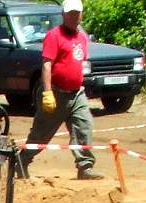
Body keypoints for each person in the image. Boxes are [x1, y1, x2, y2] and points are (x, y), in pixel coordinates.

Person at [19, 0, 104, 180]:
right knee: (41, 135)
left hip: (76, 93)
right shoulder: (54, 35)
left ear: (81, 15)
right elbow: (47, 65)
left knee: (84, 127)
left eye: (77, 13)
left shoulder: (82, 37)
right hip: (56, 93)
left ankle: (85, 167)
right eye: (70, 13)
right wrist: (47, 92)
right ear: (64, 15)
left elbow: (78, 62)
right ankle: (21, 161)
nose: (74, 17)